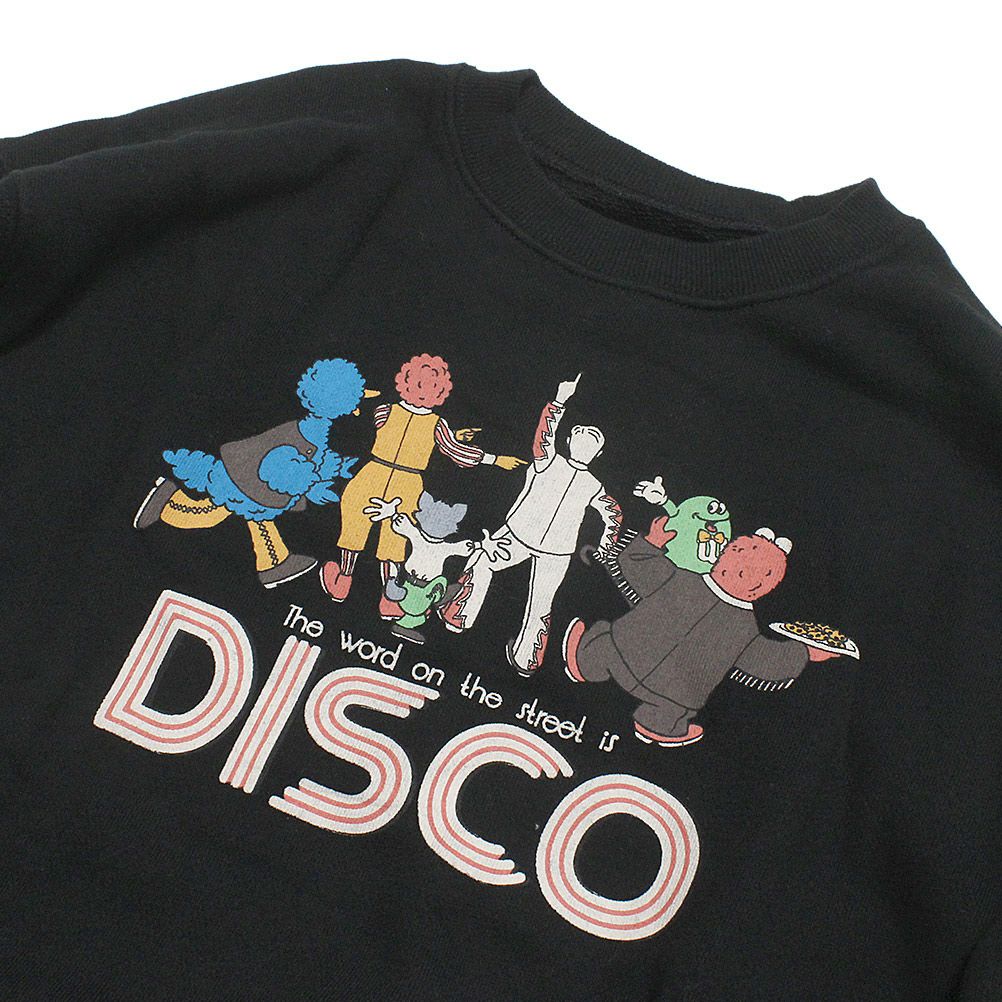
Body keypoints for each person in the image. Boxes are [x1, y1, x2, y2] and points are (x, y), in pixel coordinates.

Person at [563, 517, 843, 746]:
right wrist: (805, 653)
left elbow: (640, 568)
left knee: (602, 640)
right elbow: (767, 659)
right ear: (765, 587)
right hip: (673, 696)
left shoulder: (681, 580)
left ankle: (586, 663)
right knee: (673, 709)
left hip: (621, 651)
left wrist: (651, 542)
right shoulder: (744, 629)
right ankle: (660, 725)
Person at [440, 374, 621, 677]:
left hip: (539, 543)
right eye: (583, 433)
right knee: (518, 588)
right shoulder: (561, 468)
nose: (584, 440)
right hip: (531, 540)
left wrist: (560, 401)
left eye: (590, 438)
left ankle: (473, 625)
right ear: (572, 440)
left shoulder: (577, 476)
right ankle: (515, 652)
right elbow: (612, 514)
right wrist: (559, 401)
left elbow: (611, 514)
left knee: (521, 589)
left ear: (594, 452)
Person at [320, 353, 525, 616]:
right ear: (440, 392)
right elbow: (455, 452)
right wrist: (494, 459)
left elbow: (401, 431)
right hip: (407, 483)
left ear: (404, 381)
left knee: (354, 527)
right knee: (395, 540)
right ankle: (390, 600)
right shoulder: (437, 425)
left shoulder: (384, 411)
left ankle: (343, 580)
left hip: (373, 473)